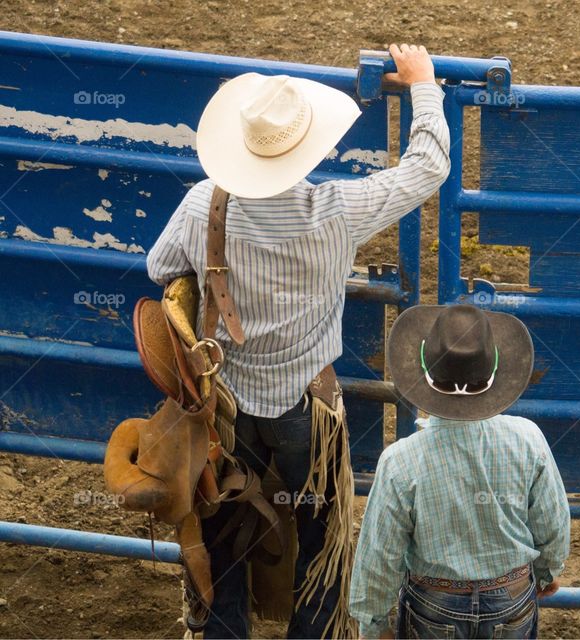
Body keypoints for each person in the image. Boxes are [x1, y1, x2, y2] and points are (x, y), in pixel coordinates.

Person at [146, 44, 449, 638]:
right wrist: (424, 84)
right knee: (321, 541)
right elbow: (428, 169)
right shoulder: (340, 209)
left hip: (223, 409)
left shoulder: (200, 205)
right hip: (307, 407)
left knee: (222, 533)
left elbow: (160, 268)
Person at [349, 304, 571, 639]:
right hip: (511, 597)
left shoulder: (400, 461)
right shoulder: (529, 439)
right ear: (493, 372)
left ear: (425, 374)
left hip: (433, 604)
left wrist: (373, 623)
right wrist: (548, 569)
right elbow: (552, 520)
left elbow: (380, 555)